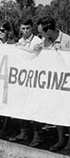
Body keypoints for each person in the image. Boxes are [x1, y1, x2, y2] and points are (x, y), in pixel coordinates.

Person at [34, 16, 70, 153]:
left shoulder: (67, 41)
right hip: (54, 85)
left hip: (66, 85)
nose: (40, 36)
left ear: (49, 31)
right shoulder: (45, 41)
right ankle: (61, 140)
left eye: (41, 33)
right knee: (59, 113)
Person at [9, 18, 43, 147]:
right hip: (22, 80)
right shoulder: (20, 41)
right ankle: (23, 133)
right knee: (22, 108)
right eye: (23, 28)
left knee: (34, 109)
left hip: (34, 80)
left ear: (32, 28)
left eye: (28, 28)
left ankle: (37, 136)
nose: (25, 31)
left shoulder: (37, 41)